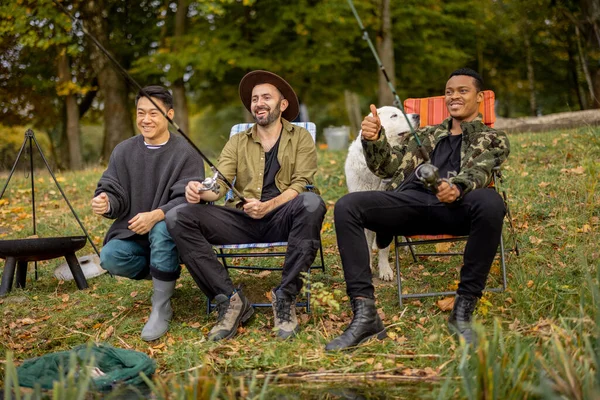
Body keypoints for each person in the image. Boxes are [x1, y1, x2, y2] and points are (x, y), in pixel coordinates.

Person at [326, 68, 510, 350]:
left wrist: (457, 187)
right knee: (347, 206)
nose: (454, 96)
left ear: (480, 97)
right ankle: (365, 315)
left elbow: (482, 168)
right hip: (411, 205)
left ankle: (462, 311)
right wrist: (373, 140)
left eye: (462, 90)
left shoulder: (492, 138)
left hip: (457, 208)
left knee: (492, 202)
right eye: (449, 92)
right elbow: (387, 166)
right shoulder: (424, 135)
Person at [165, 70, 326, 341]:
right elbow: (220, 183)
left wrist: (269, 205)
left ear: (282, 105)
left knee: (312, 203)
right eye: (254, 99)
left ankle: (285, 297)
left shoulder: (300, 137)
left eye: (266, 97)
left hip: (285, 217)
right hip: (243, 220)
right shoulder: (238, 141)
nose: (259, 103)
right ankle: (230, 300)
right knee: (178, 215)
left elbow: (302, 184)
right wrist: (200, 192)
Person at [91, 85, 205, 341]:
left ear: (170, 115)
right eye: (141, 113)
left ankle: (161, 306)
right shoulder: (123, 150)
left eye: (154, 113)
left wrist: (155, 215)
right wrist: (106, 202)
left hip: (173, 234)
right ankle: (162, 272)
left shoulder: (186, 152)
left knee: (163, 227)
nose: (145, 119)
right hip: (134, 235)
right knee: (110, 257)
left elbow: (188, 200)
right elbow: (113, 189)